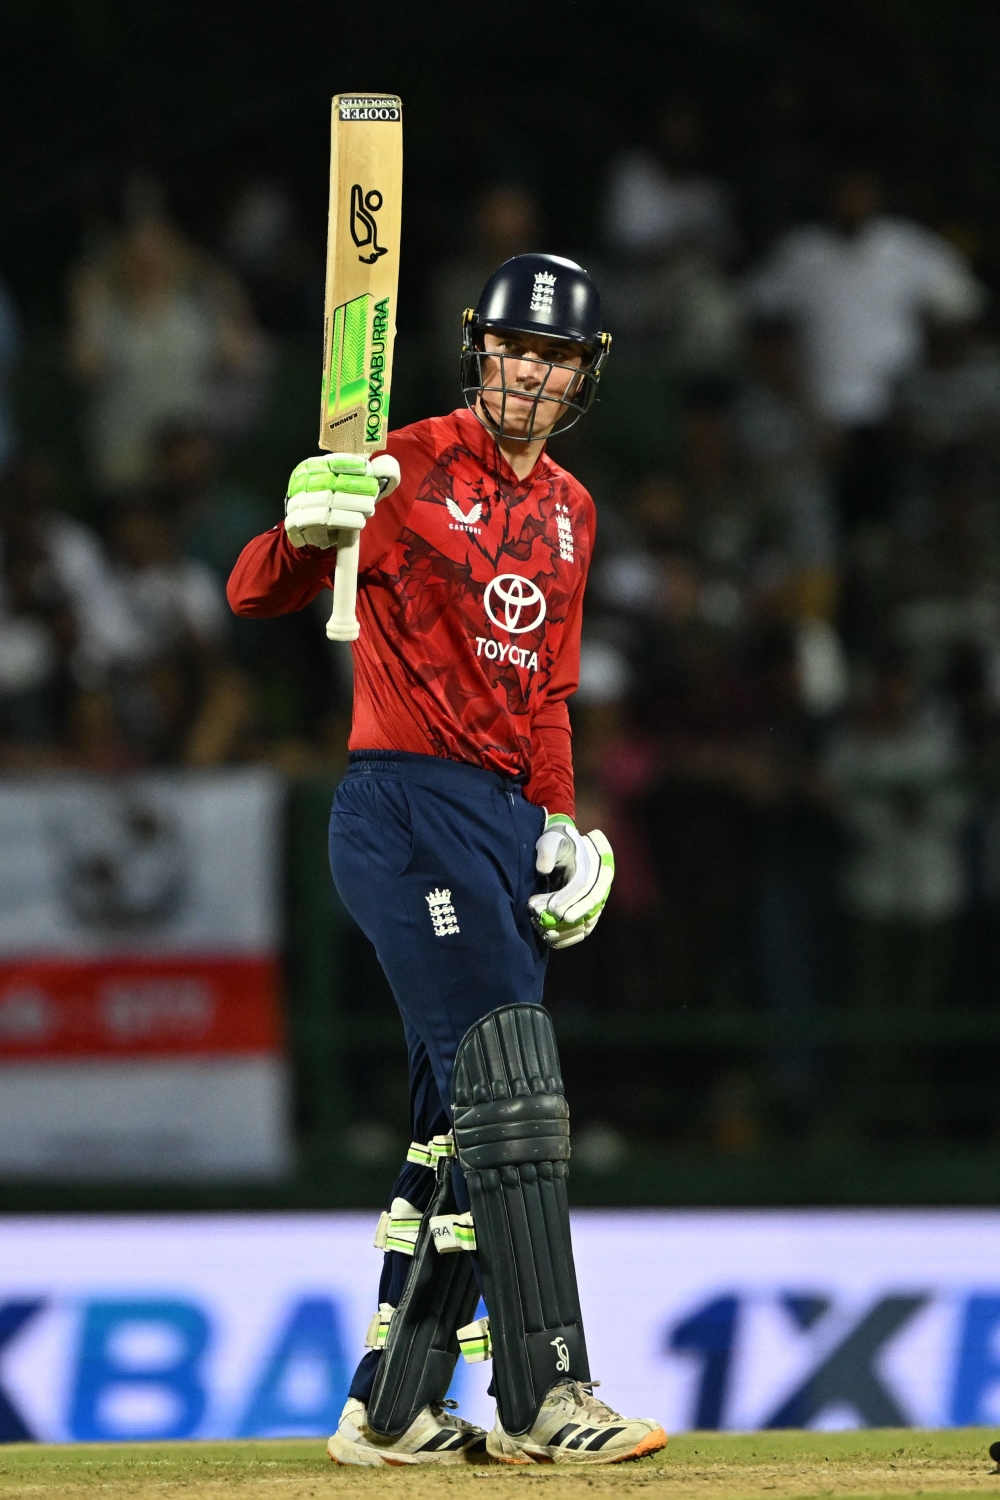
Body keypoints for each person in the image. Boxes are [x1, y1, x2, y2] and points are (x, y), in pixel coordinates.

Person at [228, 254, 667, 1466]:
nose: (532, 373)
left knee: (462, 1115)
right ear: (482, 351)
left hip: (504, 814)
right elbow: (252, 590)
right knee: (510, 1075)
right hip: (398, 802)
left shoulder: (573, 511)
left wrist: (565, 827)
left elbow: (548, 697)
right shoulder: (399, 460)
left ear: (583, 376)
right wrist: (304, 523)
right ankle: (544, 1394)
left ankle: (393, 1404)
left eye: (556, 357)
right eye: (516, 350)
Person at [745, 168, 984, 528]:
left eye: (863, 194)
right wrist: (800, 402)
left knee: (896, 512)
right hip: (822, 413)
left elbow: (964, 301)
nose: (854, 203)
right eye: (846, 194)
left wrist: (932, 353)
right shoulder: (802, 252)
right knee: (828, 518)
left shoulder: (904, 246)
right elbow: (757, 310)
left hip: (896, 409)